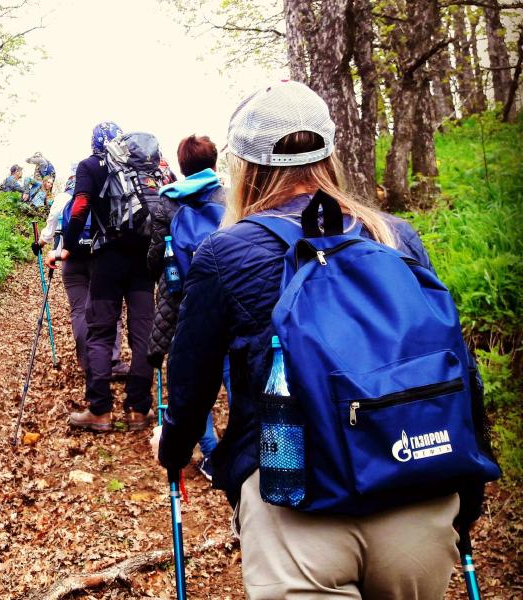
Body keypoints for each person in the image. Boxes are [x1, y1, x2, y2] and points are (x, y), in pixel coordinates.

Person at [154, 81, 461, 599]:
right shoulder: (393, 236)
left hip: (292, 496)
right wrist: (463, 495)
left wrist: (174, 450)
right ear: (330, 153)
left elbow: (191, 383)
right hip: (416, 487)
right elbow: (456, 369)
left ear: (245, 167)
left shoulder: (225, 253)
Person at [49, 121, 155, 432]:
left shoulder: (91, 166)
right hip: (144, 260)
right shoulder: (142, 164)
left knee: (100, 332)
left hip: (108, 259)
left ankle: (100, 410)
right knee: (142, 332)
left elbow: (80, 206)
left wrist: (66, 247)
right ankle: (138, 409)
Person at [147, 135, 229, 481]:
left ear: (182, 166)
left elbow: (154, 258)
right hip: (228, 293)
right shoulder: (229, 196)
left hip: (182, 296)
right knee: (232, 369)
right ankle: (244, 446)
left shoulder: (166, 203)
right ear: (214, 162)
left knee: (194, 375)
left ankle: (210, 452)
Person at [40, 171, 129, 381]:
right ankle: (112, 360)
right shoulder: (105, 194)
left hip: (71, 258)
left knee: (79, 311)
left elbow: (51, 227)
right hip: (100, 256)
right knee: (109, 308)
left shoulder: (63, 199)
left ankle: (87, 362)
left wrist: (43, 243)